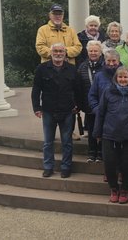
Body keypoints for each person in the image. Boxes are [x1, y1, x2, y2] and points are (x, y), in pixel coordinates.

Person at [92, 67, 128, 204]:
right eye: (120, 77)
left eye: (125, 77)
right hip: (109, 134)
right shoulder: (108, 92)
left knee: (127, 165)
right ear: (116, 78)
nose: (123, 79)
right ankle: (114, 189)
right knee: (109, 164)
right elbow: (101, 113)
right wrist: (97, 132)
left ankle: (125, 189)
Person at [31, 43, 81, 178]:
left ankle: (66, 167)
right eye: (56, 51)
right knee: (48, 142)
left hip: (67, 111)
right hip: (48, 110)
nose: (58, 54)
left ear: (65, 53)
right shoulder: (42, 69)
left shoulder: (72, 69)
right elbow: (36, 89)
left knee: (67, 142)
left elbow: (78, 90)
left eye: (61, 51)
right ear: (51, 53)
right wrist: (36, 107)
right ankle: (48, 167)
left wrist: (78, 105)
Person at [77, 40, 104, 163]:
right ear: (87, 52)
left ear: (100, 52)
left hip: (103, 104)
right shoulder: (82, 66)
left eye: (96, 51)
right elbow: (79, 87)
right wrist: (79, 103)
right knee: (92, 129)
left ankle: (101, 152)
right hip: (89, 105)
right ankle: (92, 152)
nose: (93, 53)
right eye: (91, 51)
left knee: (102, 129)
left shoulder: (105, 65)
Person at [88, 49, 121, 116]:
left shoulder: (125, 75)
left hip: (121, 115)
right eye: (108, 61)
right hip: (103, 114)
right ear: (105, 61)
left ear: (118, 61)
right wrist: (96, 109)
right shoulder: (99, 76)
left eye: (114, 60)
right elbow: (92, 95)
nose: (111, 63)